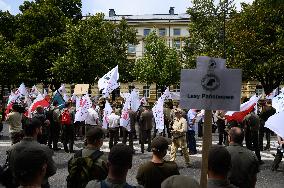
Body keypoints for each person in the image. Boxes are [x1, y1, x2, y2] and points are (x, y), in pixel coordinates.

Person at [8, 118, 57, 188]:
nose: (41, 131)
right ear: (37, 130)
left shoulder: (12, 149)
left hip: (19, 183)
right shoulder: (44, 149)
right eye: (41, 129)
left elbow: (11, 168)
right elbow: (52, 170)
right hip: (39, 183)